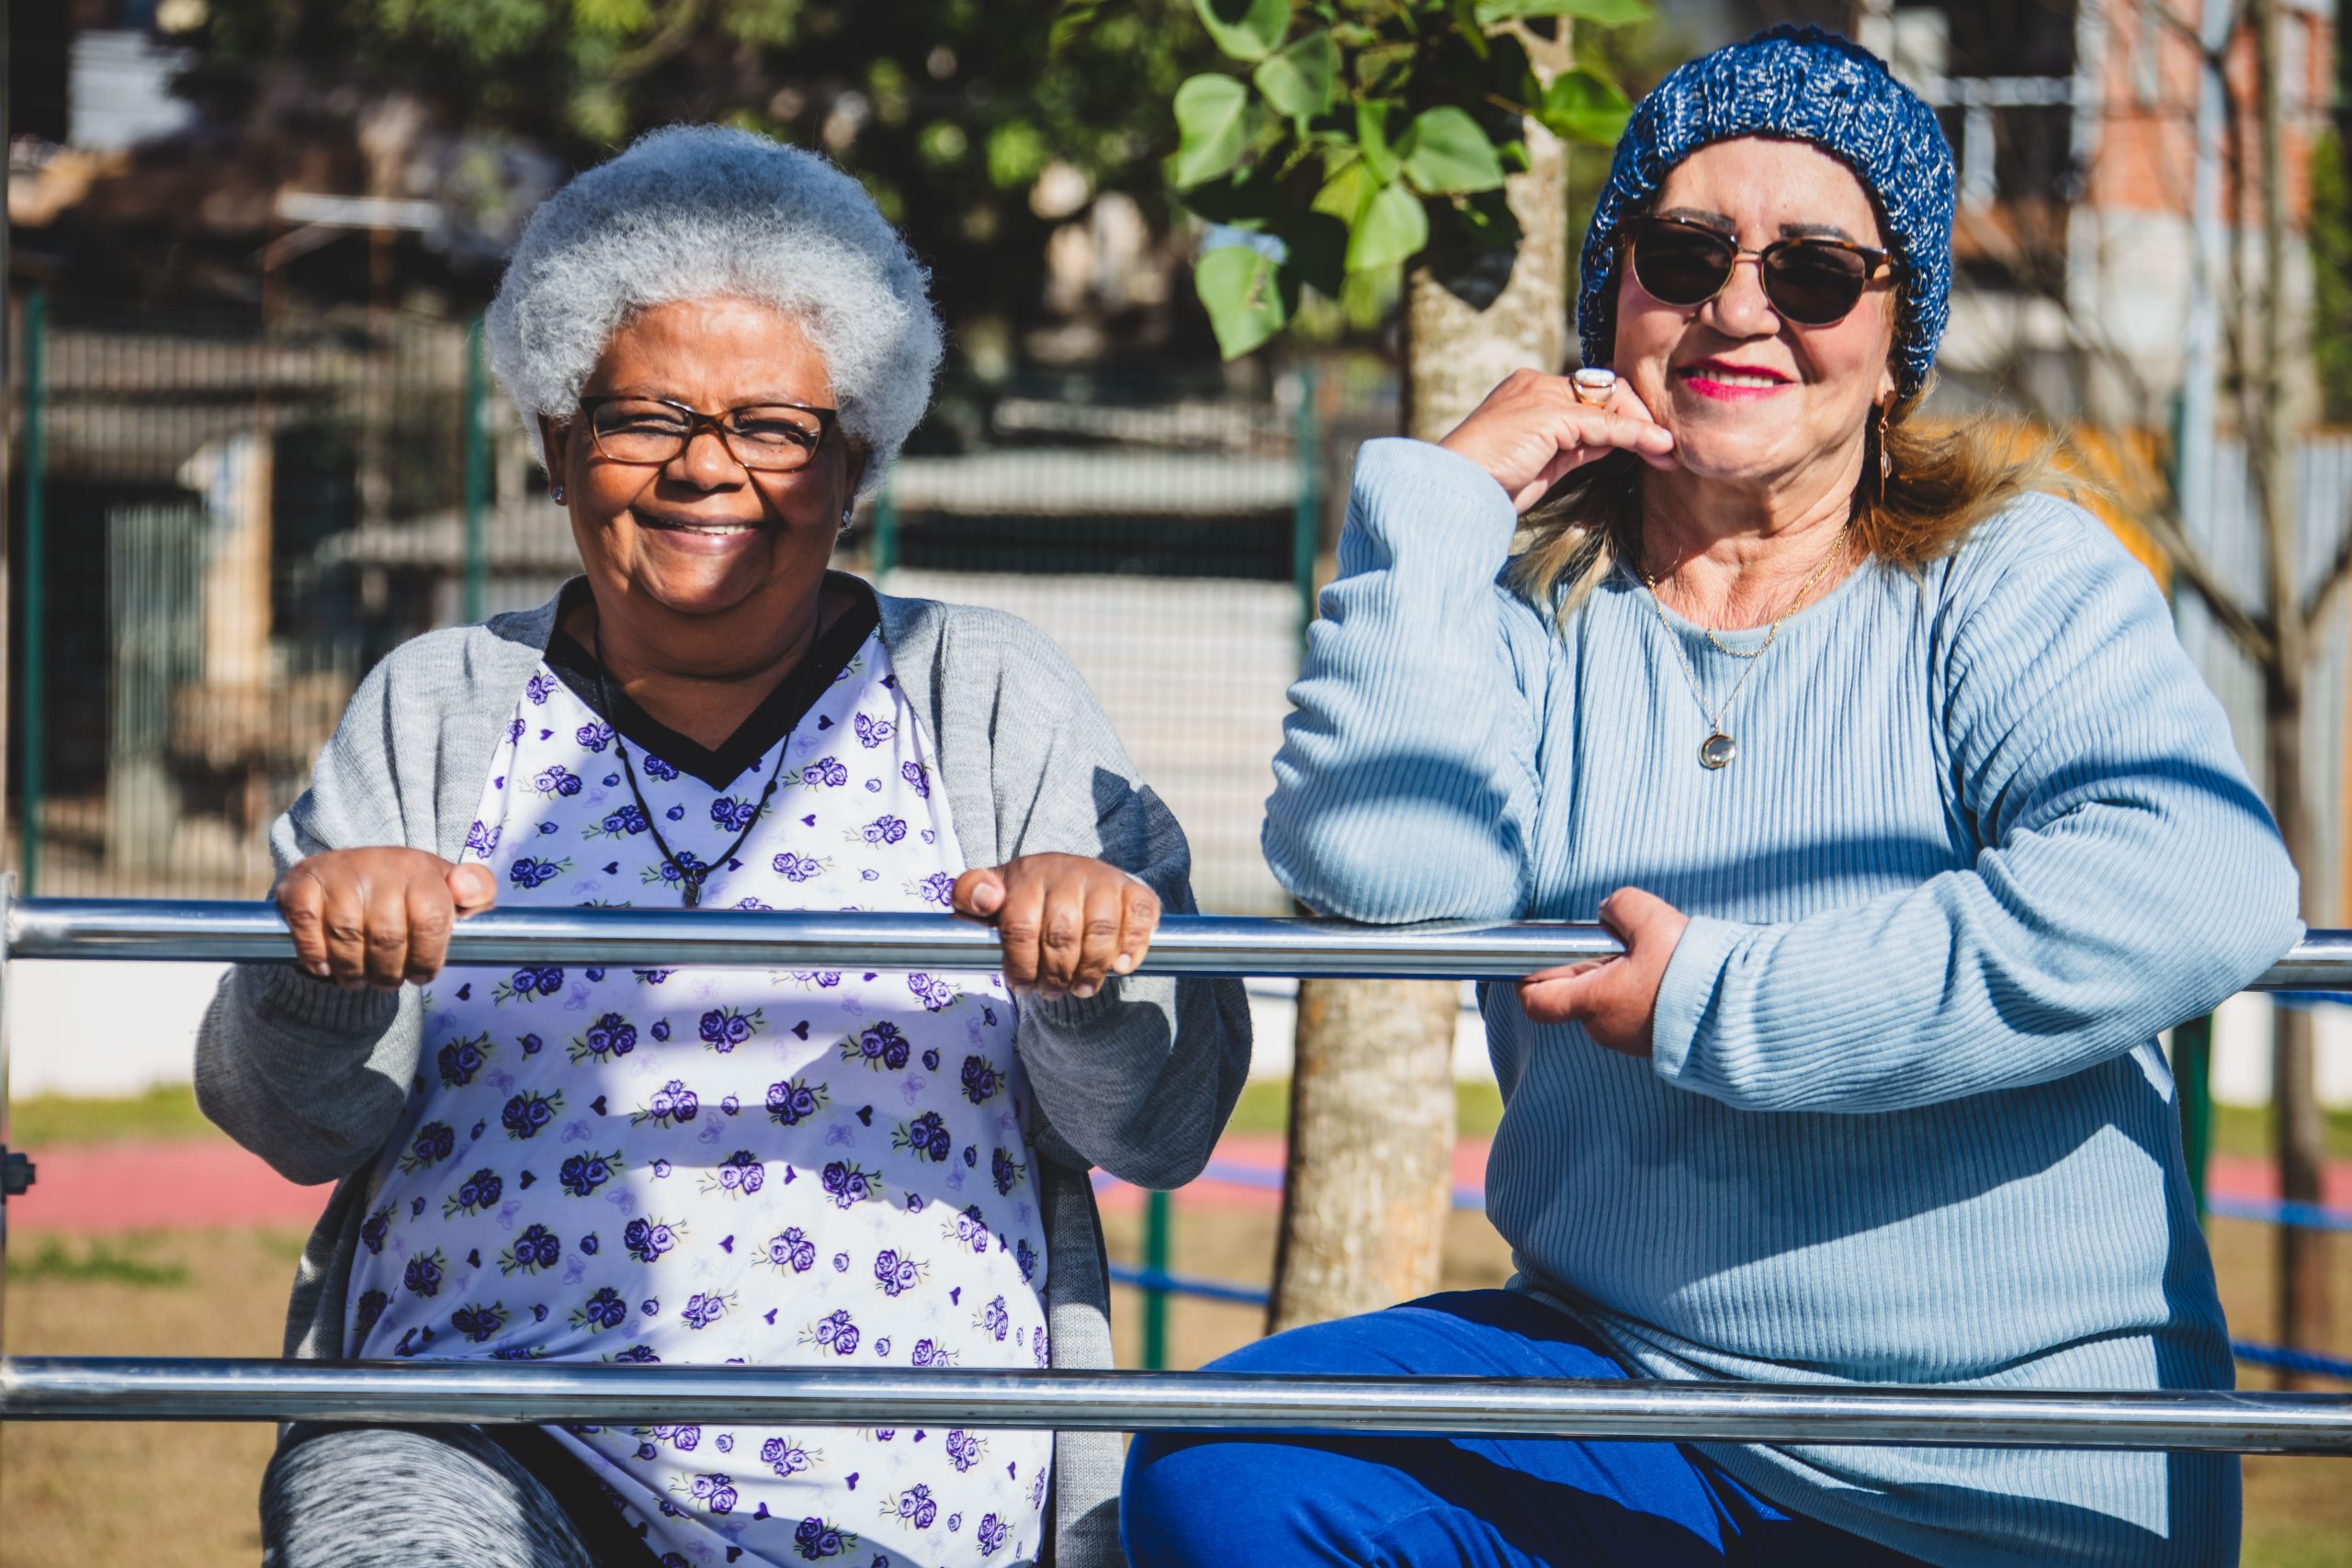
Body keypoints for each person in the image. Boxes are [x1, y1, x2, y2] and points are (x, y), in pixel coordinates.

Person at [1124, 26, 2298, 1568]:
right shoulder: (1538, 605)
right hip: (1633, 1393)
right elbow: (1383, 864)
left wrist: (1723, 1001)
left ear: (1900, 341)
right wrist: (1444, 494)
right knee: (1223, 1474)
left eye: (1816, 272)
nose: (1739, 306)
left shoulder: (2009, 577)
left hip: (1994, 1462)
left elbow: (2194, 885)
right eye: (1684, 252)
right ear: (1615, 290)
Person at [195, 124, 1249, 1568]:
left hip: (901, 1481)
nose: (707, 469)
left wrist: (1089, 983)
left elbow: (1162, 1125)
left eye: (772, 424)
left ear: (854, 459)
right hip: (477, 1430)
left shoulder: (987, 693)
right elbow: (289, 1122)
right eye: (645, 419)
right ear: (560, 445)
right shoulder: (439, 704)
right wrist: (325, 975)